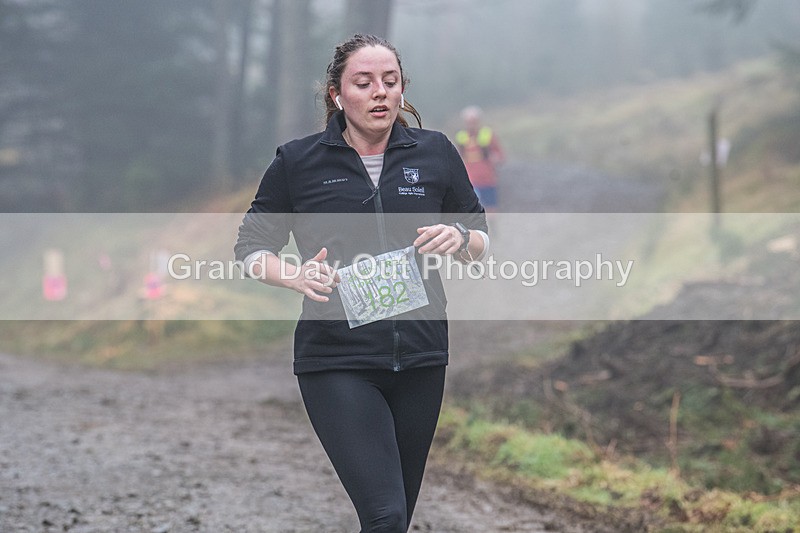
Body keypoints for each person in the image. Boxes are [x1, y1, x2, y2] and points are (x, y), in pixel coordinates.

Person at [234, 34, 488, 532]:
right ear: (336, 93)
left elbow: (480, 238)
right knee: (386, 514)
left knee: (395, 518)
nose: (380, 93)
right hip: (337, 360)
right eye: (364, 82)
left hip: (421, 357)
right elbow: (250, 249)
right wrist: (294, 275)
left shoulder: (435, 152)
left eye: (390, 82)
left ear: (402, 88)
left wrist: (458, 236)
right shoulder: (298, 161)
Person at [455, 106, 505, 212]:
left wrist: (495, 158)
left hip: (487, 178)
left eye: (474, 121)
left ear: (479, 121)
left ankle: (492, 228)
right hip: (470, 179)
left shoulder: (487, 134)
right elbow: (456, 158)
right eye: (469, 121)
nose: (471, 124)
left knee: (491, 209)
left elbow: (500, 156)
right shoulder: (461, 137)